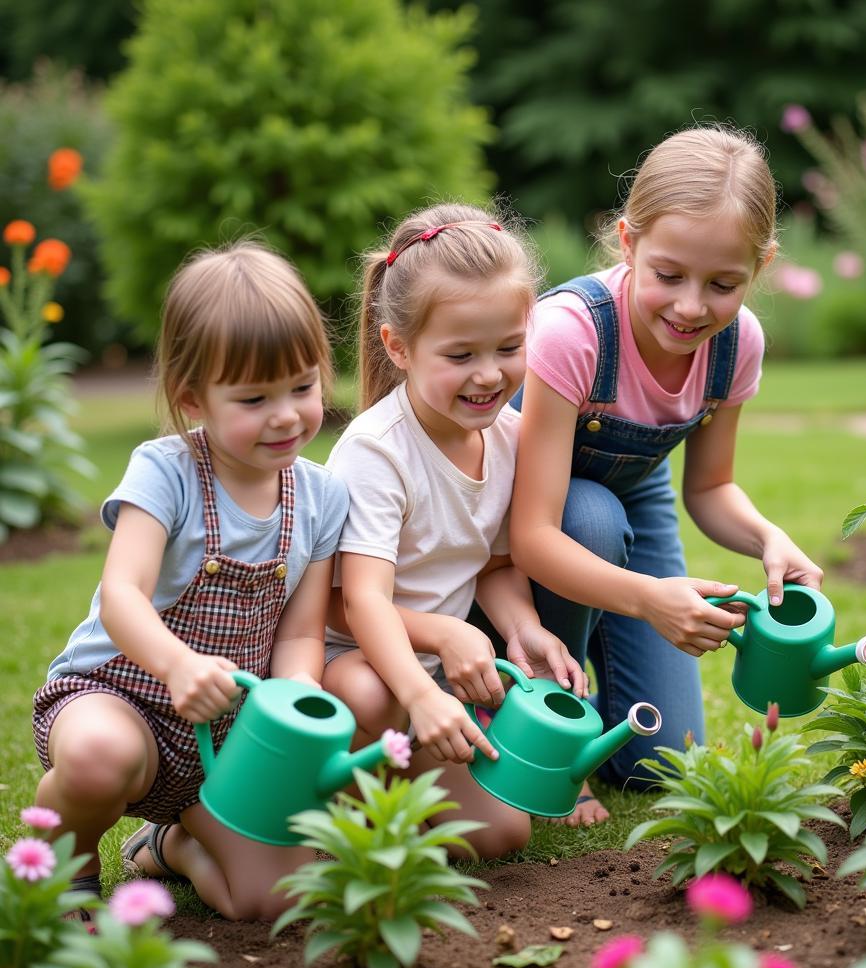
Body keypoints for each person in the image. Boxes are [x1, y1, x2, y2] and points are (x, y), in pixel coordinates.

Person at [510, 125, 824, 826]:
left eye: (723, 284)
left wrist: (769, 539)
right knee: (587, 517)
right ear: (627, 243)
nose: (691, 307)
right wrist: (651, 599)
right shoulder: (574, 331)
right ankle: (553, 725)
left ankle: (604, 706)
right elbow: (532, 534)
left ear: (762, 266)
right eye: (668, 275)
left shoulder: (736, 344)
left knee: (665, 757)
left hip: (634, 493)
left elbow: (709, 489)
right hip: (523, 514)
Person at [31, 241, 348, 920]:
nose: (287, 414)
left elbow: (299, 633)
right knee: (95, 756)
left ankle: (169, 845)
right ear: (192, 397)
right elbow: (122, 595)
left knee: (269, 900)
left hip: (227, 739)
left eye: (303, 386)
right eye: (255, 397)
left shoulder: (322, 498)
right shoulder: (166, 471)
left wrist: (297, 695)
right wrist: (175, 664)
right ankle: (70, 867)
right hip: (123, 699)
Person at [322, 203, 586, 858]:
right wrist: (436, 652)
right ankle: (330, 800)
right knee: (366, 691)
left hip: (432, 681)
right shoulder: (377, 451)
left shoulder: (507, 436)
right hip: (350, 669)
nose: (490, 374)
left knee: (500, 836)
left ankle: (376, 803)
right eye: (461, 354)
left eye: (509, 348)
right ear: (398, 348)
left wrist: (523, 630)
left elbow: (495, 565)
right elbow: (359, 601)